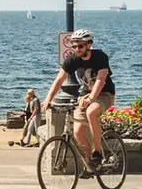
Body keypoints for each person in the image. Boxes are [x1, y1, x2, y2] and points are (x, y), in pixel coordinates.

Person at [46, 29, 114, 169]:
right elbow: (59, 80)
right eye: (74, 46)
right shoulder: (72, 59)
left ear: (89, 45)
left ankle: (97, 152)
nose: (77, 49)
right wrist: (48, 99)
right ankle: (89, 165)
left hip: (105, 94)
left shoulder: (100, 57)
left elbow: (101, 80)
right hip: (85, 96)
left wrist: (92, 98)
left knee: (91, 112)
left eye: (80, 46)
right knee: (77, 132)